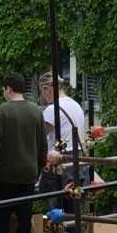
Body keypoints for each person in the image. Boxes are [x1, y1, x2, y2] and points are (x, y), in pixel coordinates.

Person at [0, 73, 47, 233]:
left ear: (8, 89)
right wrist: (37, 169)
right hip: (29, 173)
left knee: (1, 217)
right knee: (24, 217)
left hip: (4, 173)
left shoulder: (3, 111)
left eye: (4, 90)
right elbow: (42, 145)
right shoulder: (36, 111)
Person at [38, 74, 88, 214]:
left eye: (43, 91)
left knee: (58, 211)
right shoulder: (76, 105)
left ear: (48, 89)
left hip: (59, 161)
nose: (43, 96)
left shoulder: (52, 109)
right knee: (73, 209)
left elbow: (41, 138)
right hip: (77, 159)